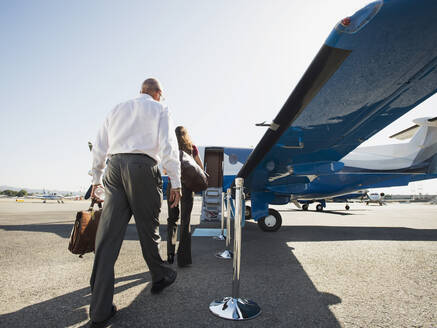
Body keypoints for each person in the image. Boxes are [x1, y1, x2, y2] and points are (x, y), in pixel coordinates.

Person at [88, 78, 182, 327]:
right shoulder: (160, 109)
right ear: (158, 93)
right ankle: (159, 275)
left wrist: (96, 177)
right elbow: (167, 147)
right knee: (148, 228)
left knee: (107, 237)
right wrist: (176, 181)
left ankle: (99, 308)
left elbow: (99, 145)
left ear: (141, 90)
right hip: (142, 166)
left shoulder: (117, 108)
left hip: (114, 166)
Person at [166, 126, 203, 267]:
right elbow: (199, 166)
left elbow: (165, 168)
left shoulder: (171, 147)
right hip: (188, 187)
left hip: (172, 187)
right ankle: (184, 259)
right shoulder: (192, 148)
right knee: (185, 221)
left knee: (172, 220)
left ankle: (170, 254)